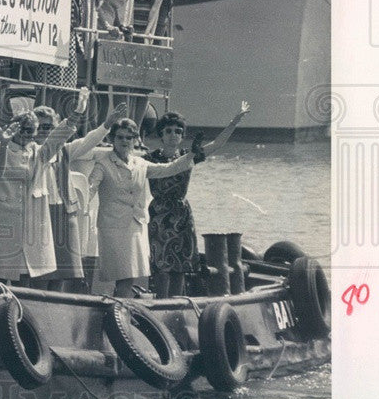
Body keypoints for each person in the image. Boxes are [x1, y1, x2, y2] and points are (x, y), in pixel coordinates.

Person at [0, 88, 88, 285]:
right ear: (13, 129)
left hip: (30, 228)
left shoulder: (39, 154)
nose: (27, 135)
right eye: (22, 129)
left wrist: (77, 113)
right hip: (3, 223)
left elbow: (58, 137)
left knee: (26, 278)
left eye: (31, 130)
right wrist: (3, 142)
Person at [87, 117, 203, 298]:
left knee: (130, 277)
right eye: (120, 137)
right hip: (113, 227)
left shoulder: (140, 163)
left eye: (129, 137)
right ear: (112, 140)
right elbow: (91, 187)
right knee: (124, 277)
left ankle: (121, 311)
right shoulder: (103, 163)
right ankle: (119, 314)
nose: (125, 141)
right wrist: (78, 201)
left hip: (136, 225)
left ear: (135, 140)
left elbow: (169, 169)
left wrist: (190, 156)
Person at [146, 102, 250, 297]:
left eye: (178, 131)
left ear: (182, 136)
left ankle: (176, 304)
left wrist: (234, 121)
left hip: (181, 213)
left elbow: (217, 145)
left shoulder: (189, 155)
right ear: (161, 134)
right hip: (159, 214)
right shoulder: (149, 158)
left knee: (179, 267)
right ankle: (160, 302)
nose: (173, 135)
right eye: (168, 131)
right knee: (161, 267)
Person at [30, 99, 129, 292]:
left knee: (62, 271)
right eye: (40, 126)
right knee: (41, 271)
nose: (44, 130)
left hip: (63, 212)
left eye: (49, 126)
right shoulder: (31, 153)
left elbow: (88, 141)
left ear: (56, 126)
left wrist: (108, 123)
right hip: (41, 215)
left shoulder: (64, 151)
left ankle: (56, 305)